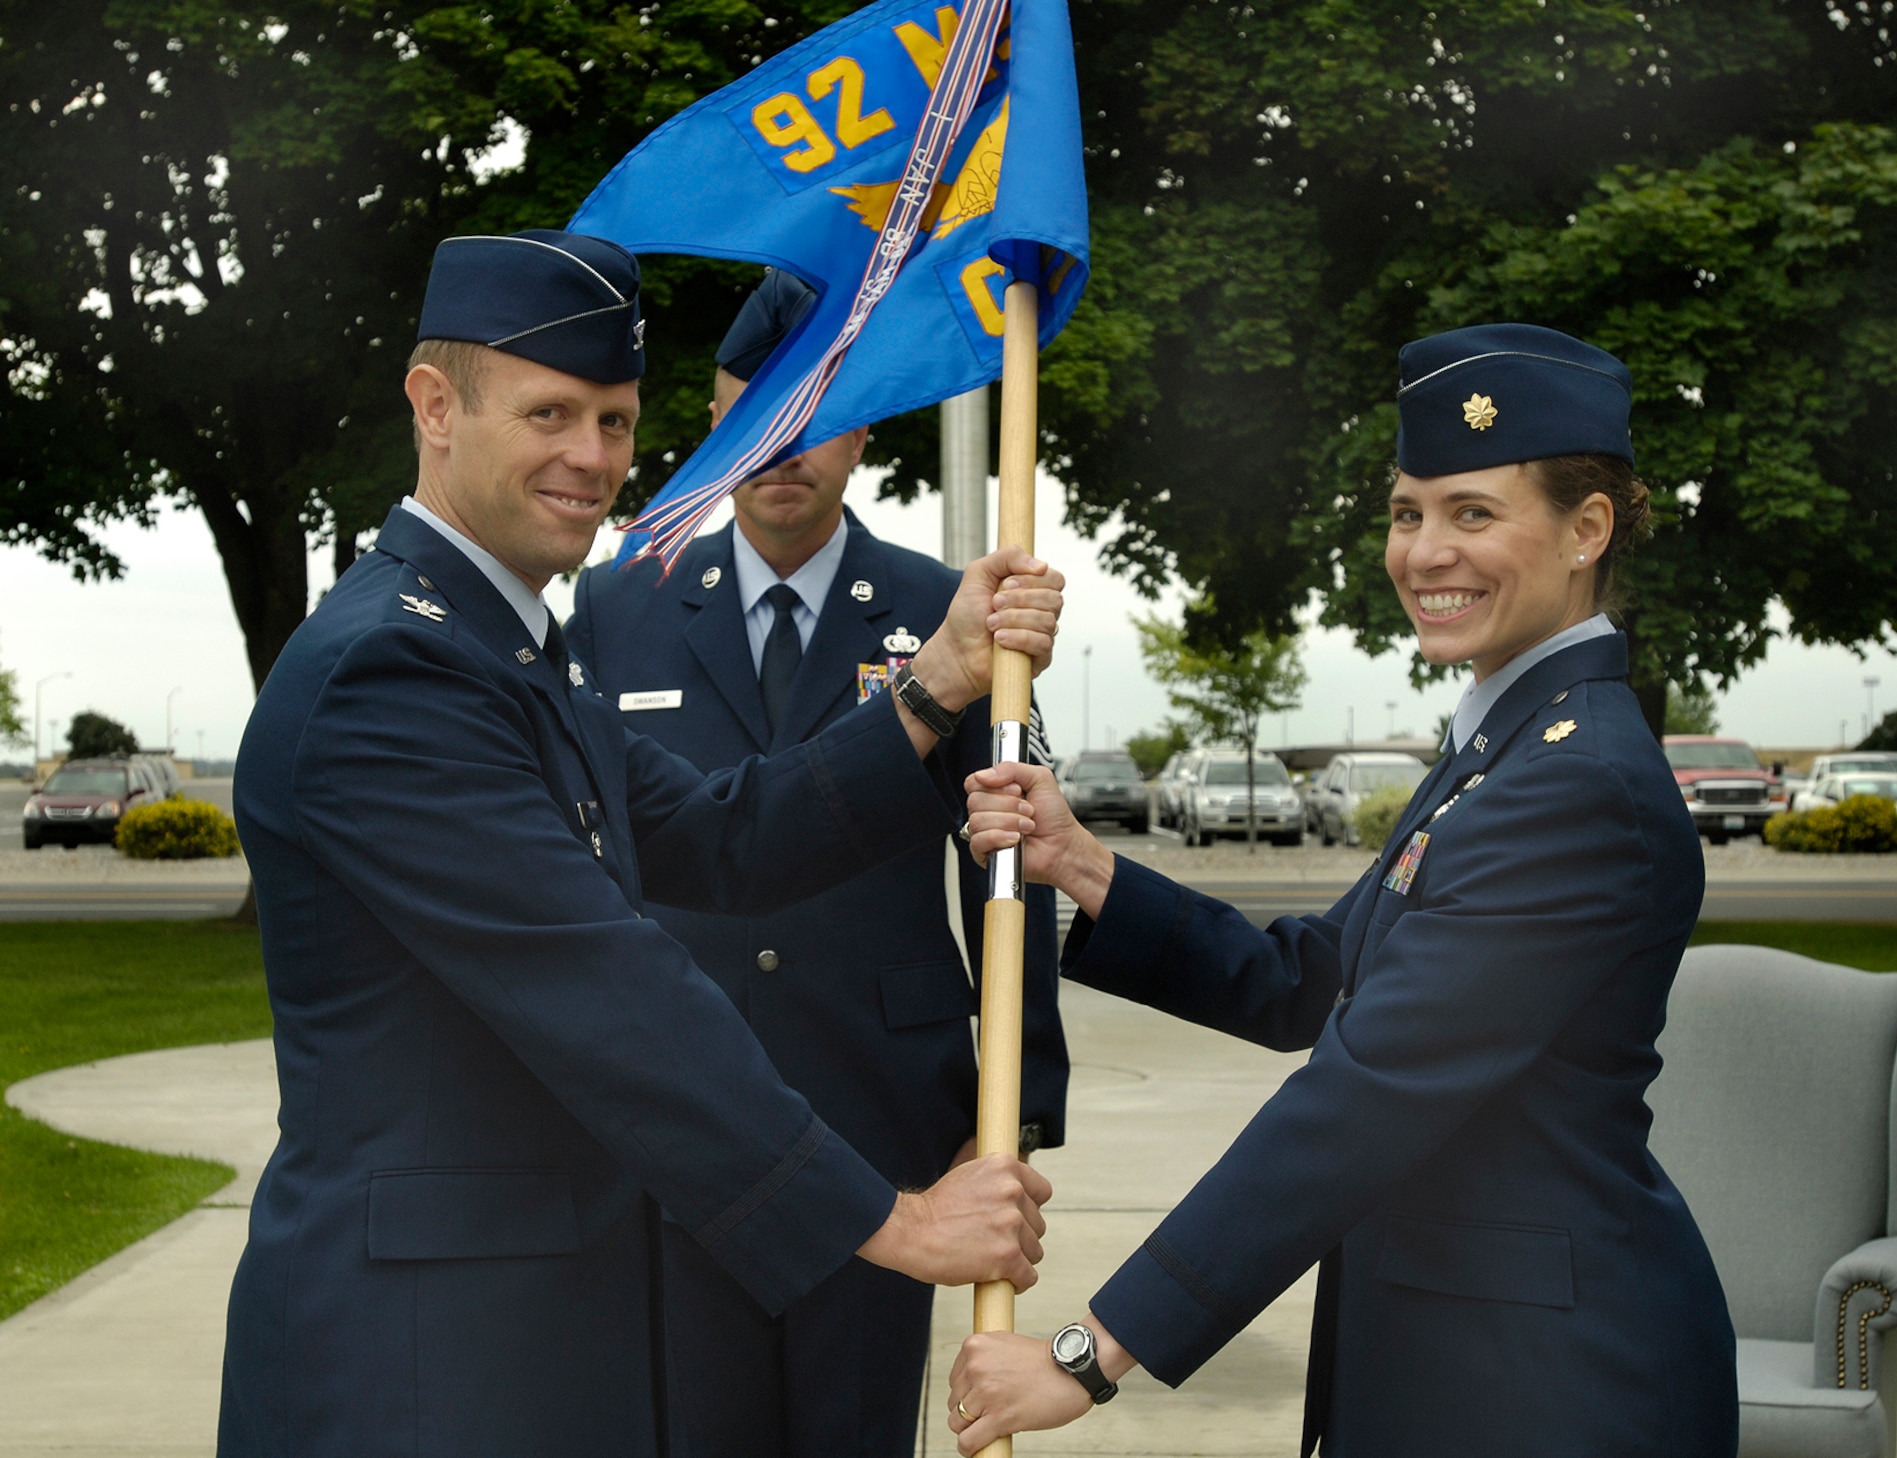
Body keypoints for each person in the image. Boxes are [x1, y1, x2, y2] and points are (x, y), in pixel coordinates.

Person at [218, 229, 1068, 1458]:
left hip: (522, 1337)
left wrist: (933, 680)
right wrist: (886, 1219)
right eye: (551, 413)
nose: (592, 459)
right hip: (423, 1365)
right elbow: (603, 984)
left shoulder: (504, 650)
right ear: (434, 405)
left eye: (615, 423)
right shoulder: (393, 671)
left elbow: (728, 838)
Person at [947, 324, 1737, 1456]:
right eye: (1406, 513)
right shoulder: (1502, 751)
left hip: (1545, 1389)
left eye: (1472, 512)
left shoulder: (1574, 785)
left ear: (1586, 530)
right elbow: (1310, 983)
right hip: (1458, 1358)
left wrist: (1090, 1353)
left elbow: (1369, 1091)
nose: (1422, 553)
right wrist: (1080, 860)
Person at [566, 269, 1069, 1458]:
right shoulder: (609, 609)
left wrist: (1015, 1110)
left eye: (817, 411)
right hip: (682, 1112)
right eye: (758, 411)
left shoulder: (945, 610)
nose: (784, 444)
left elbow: (1015, 857)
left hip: (883, 1119)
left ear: (865, 427)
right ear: (713, 425)